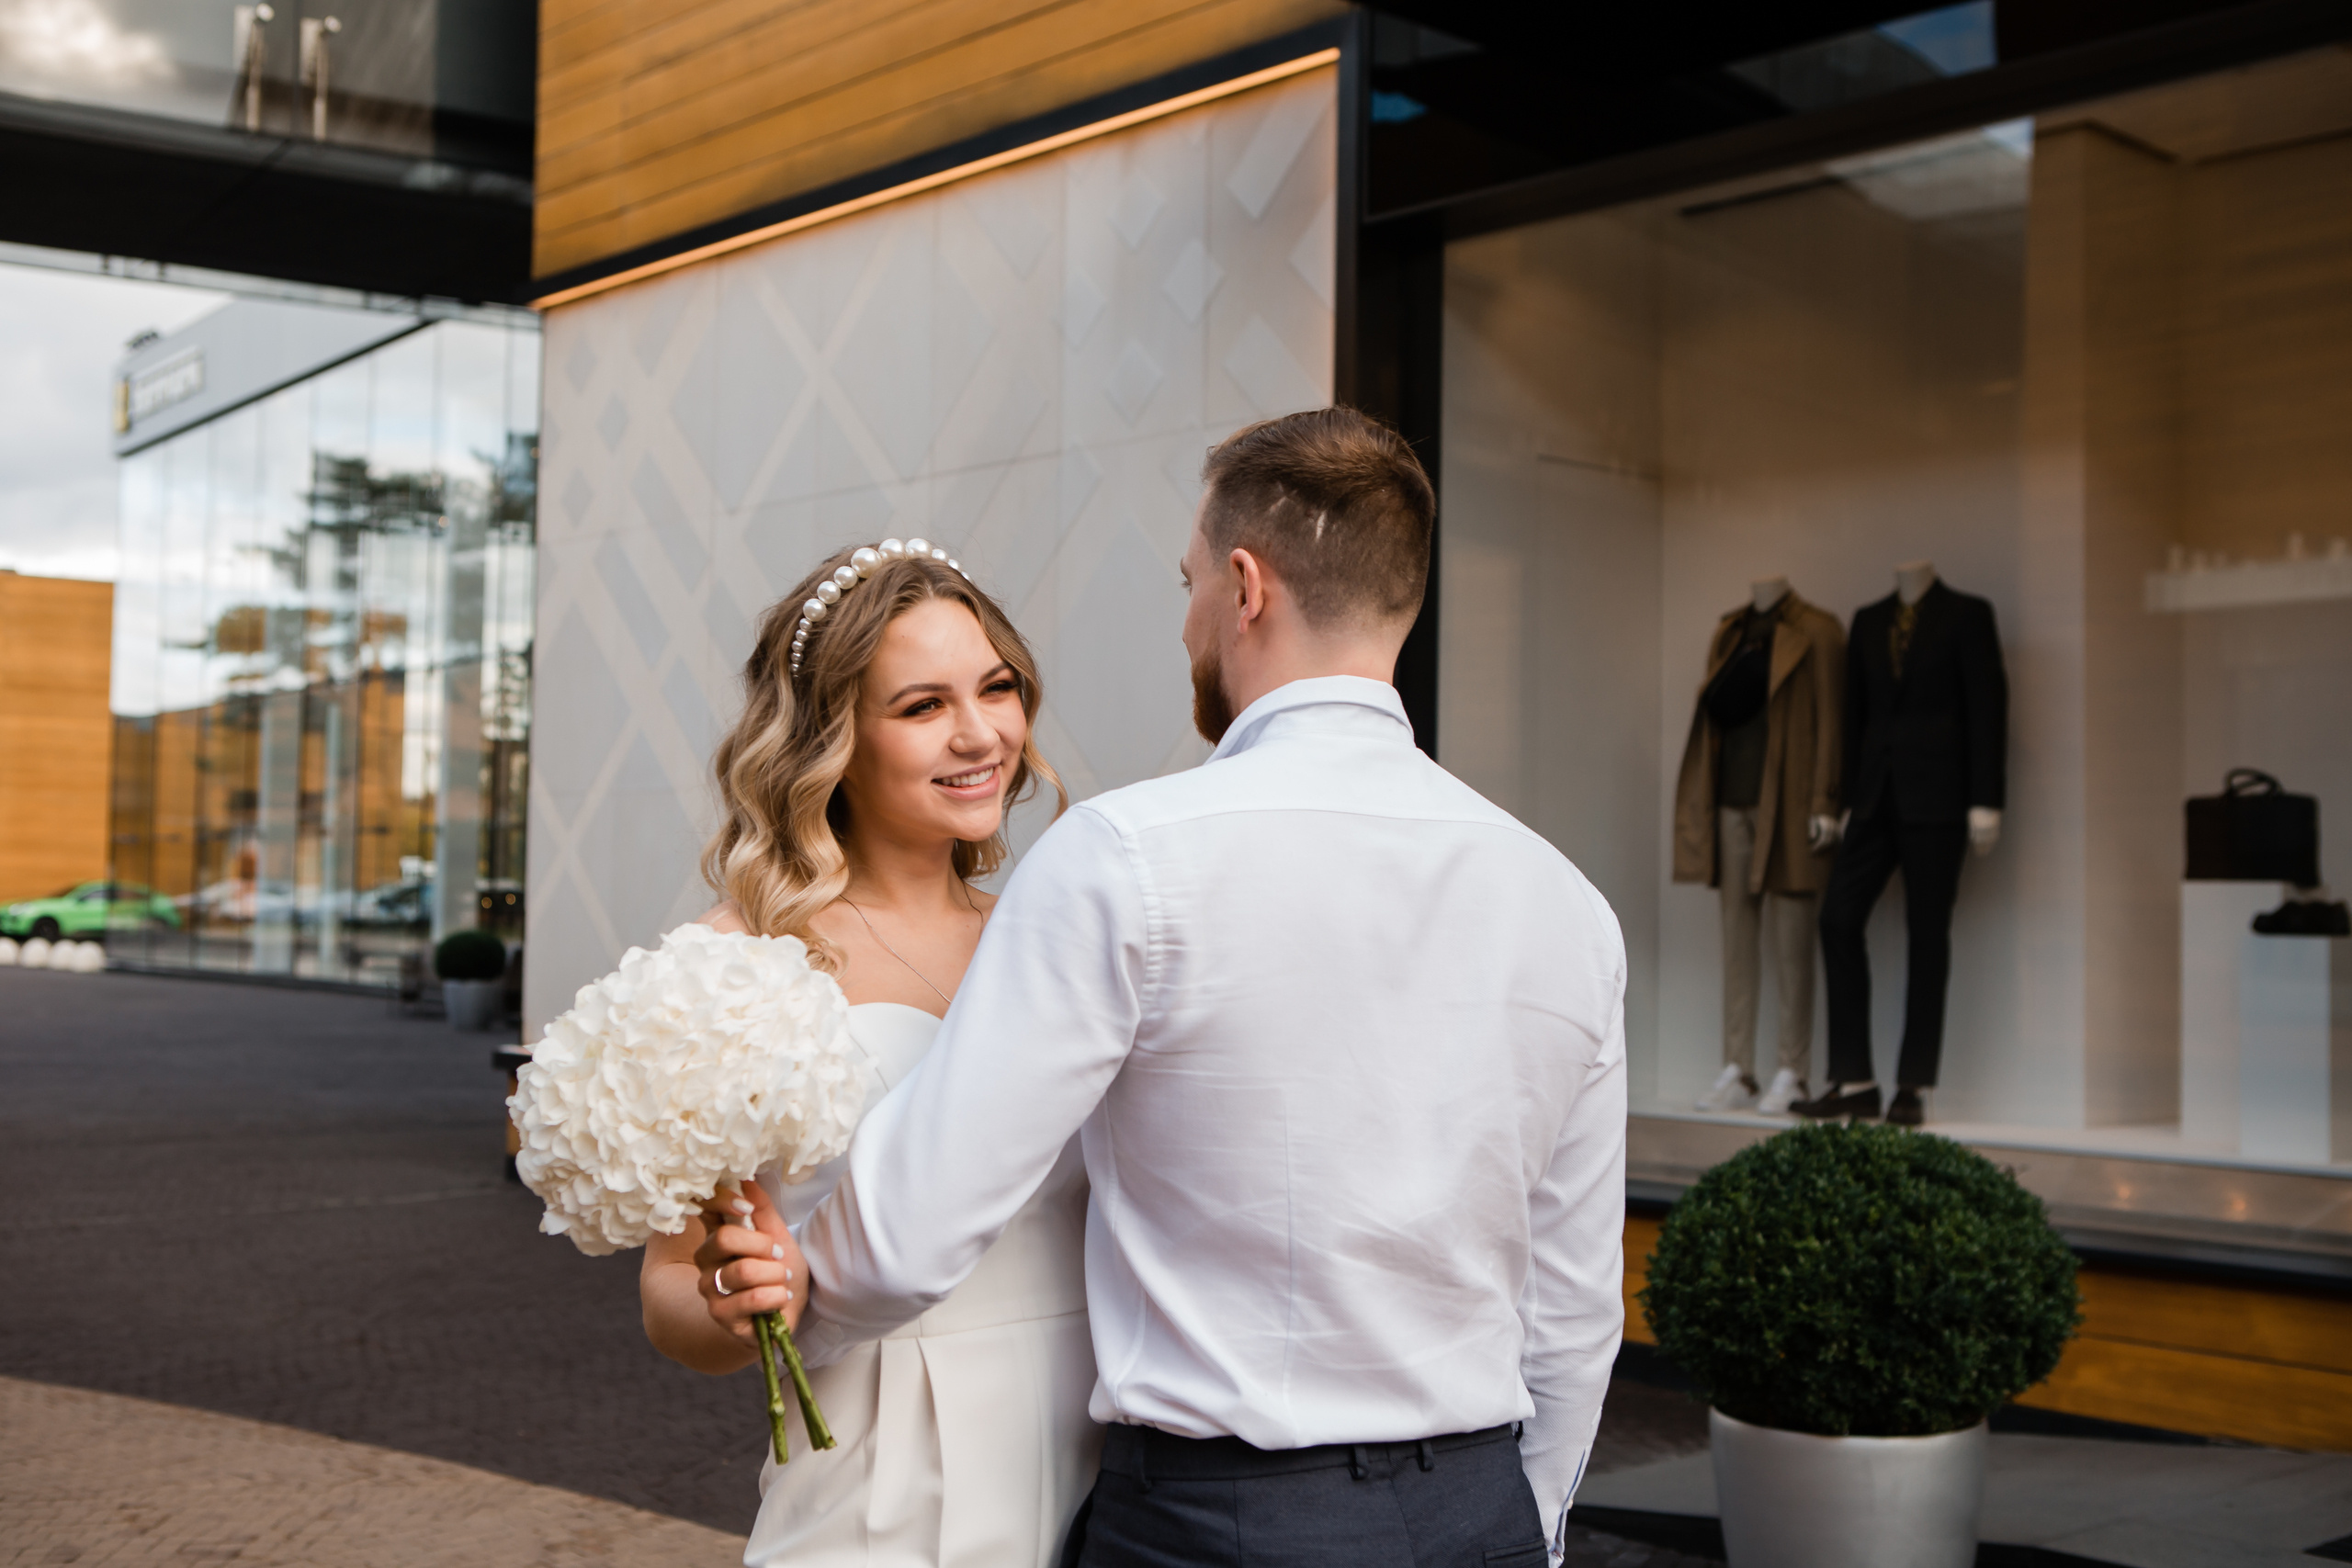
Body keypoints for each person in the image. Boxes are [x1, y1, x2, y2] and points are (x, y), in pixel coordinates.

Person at [732, 409, 1629, 1566]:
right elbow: (1573, 1308)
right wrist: (1523, 1525)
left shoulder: (1125, 859)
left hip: (1222, 1525)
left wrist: (792, 1309)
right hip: (1480, 1513)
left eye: (1189, 580)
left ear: (1245, 587)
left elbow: (906, 1235)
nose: (1189, 616)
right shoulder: (1567, 904)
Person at [639, 542, 1101, 1568]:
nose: (980, 733)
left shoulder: (1055, 937)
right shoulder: (739, 960)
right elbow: (669, 1286)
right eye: (923, 705)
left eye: (996, 688)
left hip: (1093, 1459)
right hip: (877, 1478)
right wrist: (734, 1308)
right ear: (832, 739)